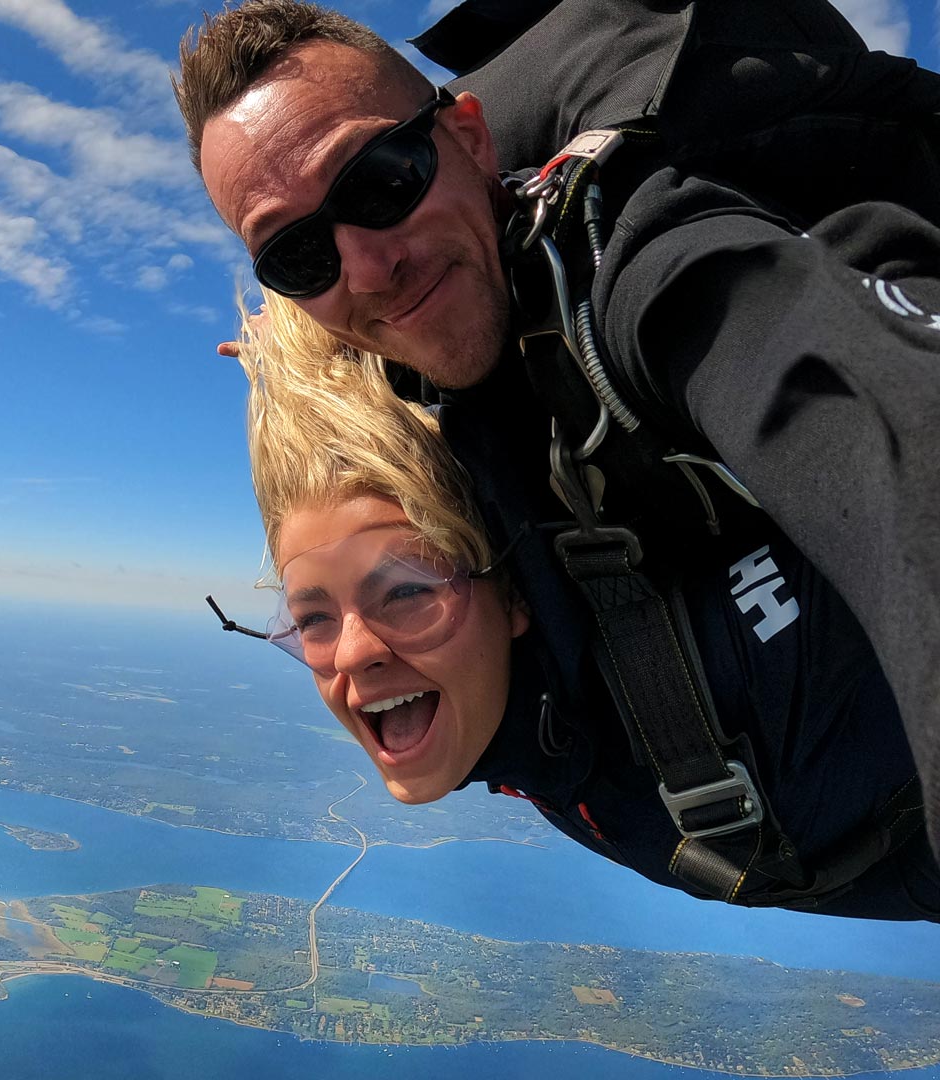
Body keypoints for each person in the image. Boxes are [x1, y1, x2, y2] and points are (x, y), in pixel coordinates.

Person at [175, 0, 940, 897]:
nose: (368, 268)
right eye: (299, 256)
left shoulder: (639, 287)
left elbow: (887, 435)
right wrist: (288, 356)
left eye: (383, 180)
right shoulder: (516, 685)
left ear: (469, 140)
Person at [218, 296, 938, 919]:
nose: (352, 652)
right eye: (311, 618)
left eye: (407, 592)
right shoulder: (546, 737)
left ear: (515, 593)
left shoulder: (753, 674)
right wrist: (293, 360)